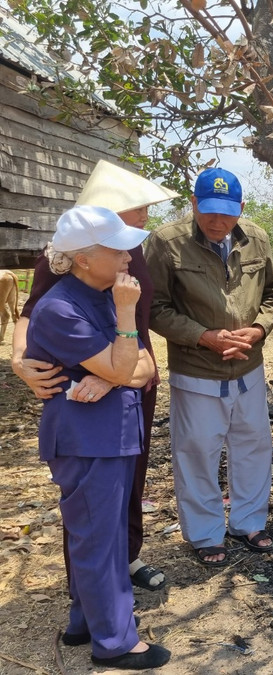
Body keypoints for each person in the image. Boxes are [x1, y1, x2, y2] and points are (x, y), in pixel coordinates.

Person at [11, 159, 177, 592]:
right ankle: (89, 583)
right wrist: (18, 361)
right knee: (90, 493)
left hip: (134, 371)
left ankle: (126, 557)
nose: (144, 216)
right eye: (137, 207)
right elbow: (32, 314)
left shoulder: (132, 252)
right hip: (90, 389)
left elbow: (137, 324)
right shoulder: (69, 256)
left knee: (130, 477)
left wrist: (120, 373)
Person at [26, 205, 170, 669]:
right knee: (99, 541)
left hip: (113, 431)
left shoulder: (103, 292)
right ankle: (115, 642)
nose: (129, 255)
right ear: (84, 257)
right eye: (117, 247)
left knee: (96, 535)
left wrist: (111, 376)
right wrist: (127, 325)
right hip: (87, 439)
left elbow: (145, 366)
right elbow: (131, 361)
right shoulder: (60, 307)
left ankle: (84, 621)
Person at [146, 167, 273, 566]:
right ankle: (206, 533)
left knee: (254, 446)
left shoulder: (256, 237)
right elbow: (154, 307)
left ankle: (249, 523)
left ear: (241, 208)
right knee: (197, 452)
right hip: (196, 368)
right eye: (209, 212)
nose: (218, 222)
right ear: (193, 203)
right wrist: (204, 335)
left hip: (249, 367)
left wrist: (258, 330)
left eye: (227, 213)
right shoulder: (165, 243)